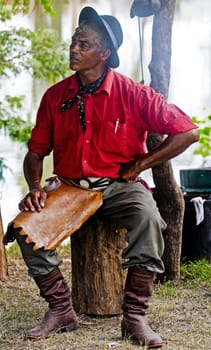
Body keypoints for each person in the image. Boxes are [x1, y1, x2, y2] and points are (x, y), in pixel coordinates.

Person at [16, 6, 199, 349]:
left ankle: (134, 317)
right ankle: (60, 309)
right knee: (26, 228)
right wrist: (35, 188)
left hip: (119, 186)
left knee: (150, 221)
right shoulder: (56, 96)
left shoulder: (134, 94)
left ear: (103, 53)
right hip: (69, 187)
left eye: (83, 44)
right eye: (73, 41)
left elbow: (187, 133)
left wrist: (143, 162)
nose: (73, 48)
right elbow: (36, 151)